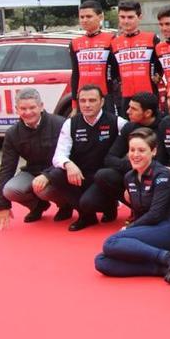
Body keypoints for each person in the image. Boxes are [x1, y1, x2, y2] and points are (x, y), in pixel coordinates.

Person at [94, 128, 170, 282]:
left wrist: (129, 229)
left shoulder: (162, 175)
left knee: (111, 243)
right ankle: (163, 268)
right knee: (101, 261)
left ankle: (169, 257)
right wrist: (132, 229)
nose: (135, 155)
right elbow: (138, 213)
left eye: (141, 150)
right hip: (151, 229)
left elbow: (155, 214)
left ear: (153, 151)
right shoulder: (129, 177)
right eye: (132, 150)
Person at [35, 84, 127, 231]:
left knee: (89, 201)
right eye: (83, 101)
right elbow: (58, 155)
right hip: (80, 175)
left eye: (92, 100)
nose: (87, 105)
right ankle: (87, 217)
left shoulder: (118, 122)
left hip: (104, 177)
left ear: (102, 102)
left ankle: (110, 206)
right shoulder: (70, 123)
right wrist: (68, 164)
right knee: (56, 173)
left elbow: (134, 146)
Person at [0, 88, 67, 228]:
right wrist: (2, 205)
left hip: (59, 171)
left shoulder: (60, 124)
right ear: (17, 109)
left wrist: (48, 175)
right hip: (32, 171)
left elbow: (70, 157)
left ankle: (65, 206)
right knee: (9, 189)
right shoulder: (12, 133)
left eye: (32, 107)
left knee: (43, 189)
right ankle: (38, 206)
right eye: (23, 108)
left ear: (41, 106)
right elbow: (6, 169)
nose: (28, 112)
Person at [92, 92, 162, 222]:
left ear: (147, 113)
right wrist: (133, 169)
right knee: (103, 175)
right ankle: (137, 209)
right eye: (129, 107)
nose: (128, 111)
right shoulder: (129, 127)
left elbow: (161, 161)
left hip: (159, 176)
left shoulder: (164, 126)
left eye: (133, 109)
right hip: (131, 172)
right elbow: (110, 157)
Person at [110, 0, 161, 118]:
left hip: (149, 95)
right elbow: (113, 71)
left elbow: (160, 63)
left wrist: (158, 74)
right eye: (122, 17)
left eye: (130, 17)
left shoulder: (151, 38)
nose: (126, 21)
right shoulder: (114, 42)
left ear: (139, 17)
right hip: (125, 97)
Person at [70, 0, 115, 114]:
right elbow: (75, 74)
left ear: (100, 17)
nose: (84, 20)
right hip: (84, 99)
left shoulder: (111, 39)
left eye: (89, 16)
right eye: (82, 17)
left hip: (105, 97)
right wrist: (74, 105)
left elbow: (116, 73)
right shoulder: (75, 43)